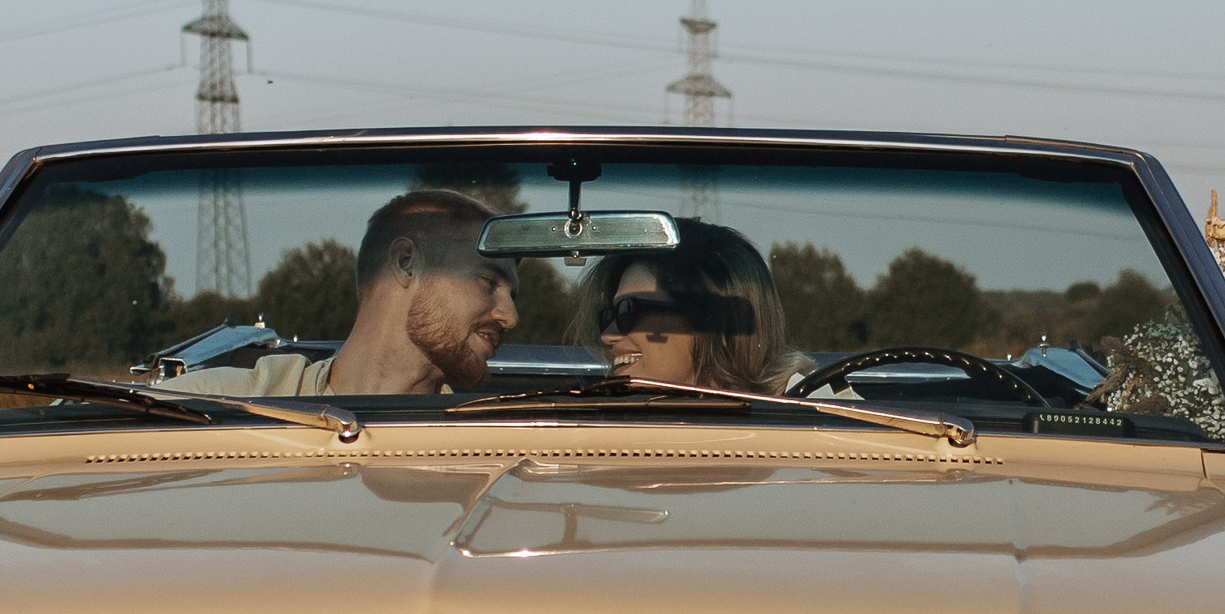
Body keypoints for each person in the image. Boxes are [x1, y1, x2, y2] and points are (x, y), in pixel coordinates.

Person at [168, 190, 517, 397]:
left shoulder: (488, 444)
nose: (510, 316)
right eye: (488, 283)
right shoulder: (210, 408)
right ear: (406, 263)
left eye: (512, 294)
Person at [579, 219, 809, 394]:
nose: (607, 336)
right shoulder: (600, 437)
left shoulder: (821, 430)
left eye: (628, 311)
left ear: (712, 320)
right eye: (609, 316)